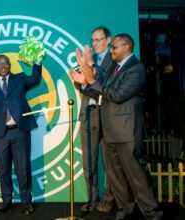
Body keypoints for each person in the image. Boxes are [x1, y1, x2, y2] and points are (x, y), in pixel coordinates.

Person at [71, 34, 162, 220]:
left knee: (136, 176)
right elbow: (102, 94)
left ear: (126, 46)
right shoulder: (114, 67)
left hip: (127, 132)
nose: (110, 50)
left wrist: (91, 81)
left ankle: (152, 214)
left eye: (114, 47)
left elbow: (118, 95)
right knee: (116, 177)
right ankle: (124, 211)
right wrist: (83, 85)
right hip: (110, 131)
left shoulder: (136, 69)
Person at [0, 54, 42, 215]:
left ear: (9, 65)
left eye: (5, 63)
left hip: (19, 131)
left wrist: (37, 60)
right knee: (3, 169)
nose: (3, 66)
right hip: (0, 134)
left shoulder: (20, 79)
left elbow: (36, 78)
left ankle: (26, 201)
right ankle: (6, 201)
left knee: (23, 168)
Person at [72, 26, 114, 213]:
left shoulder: (114, 60)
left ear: (108, 40)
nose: (95, 43)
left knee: (110, 161)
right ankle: (92, 199)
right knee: (89, 161)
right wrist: (79, 80)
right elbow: (83, 85)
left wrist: (89, 69)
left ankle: (109, 199)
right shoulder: (87, 61)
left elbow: (104, 85)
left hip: (107, 115)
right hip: (88, 114)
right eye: (93, 40)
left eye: (98, 39)